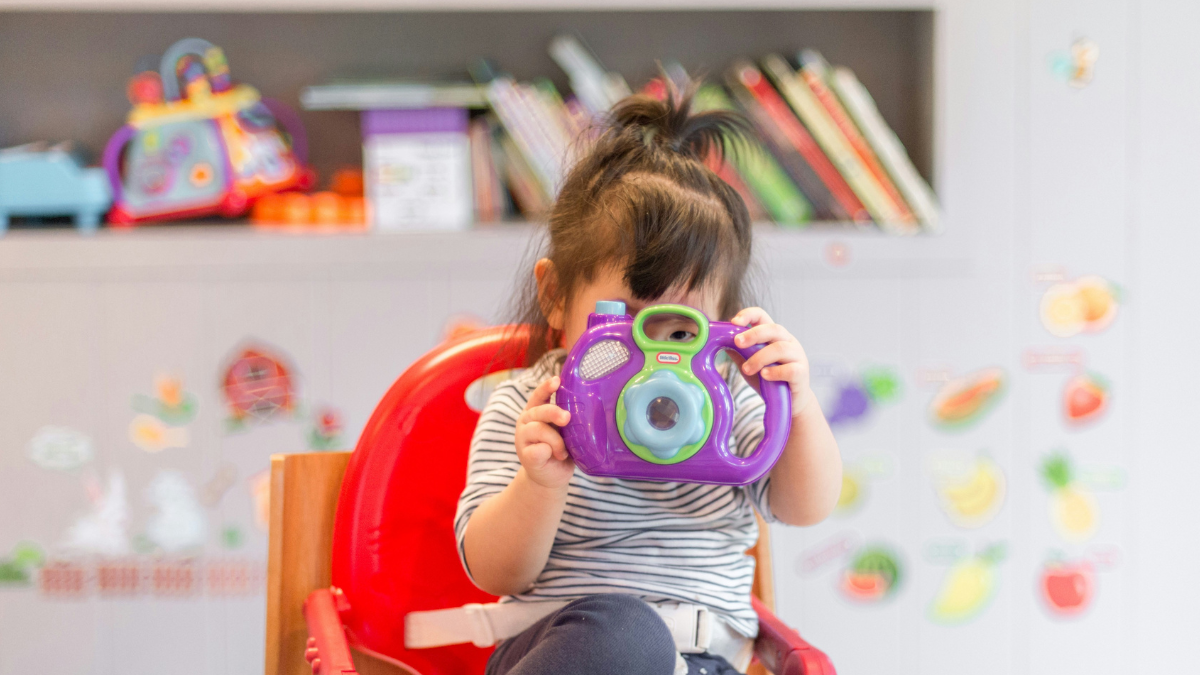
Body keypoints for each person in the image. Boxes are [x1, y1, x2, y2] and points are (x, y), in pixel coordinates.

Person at [454, 81, 842, 675]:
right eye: (626, 325)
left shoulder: (727, 401)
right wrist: (540, 483)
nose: (654, 358)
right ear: (557, 296)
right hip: (570, 655)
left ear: (721, 326)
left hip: (706, 660)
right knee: (624, 634)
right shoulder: (532, 409)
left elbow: (806, 506)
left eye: (682, 331)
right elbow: (494, 570)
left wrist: (800, 404)